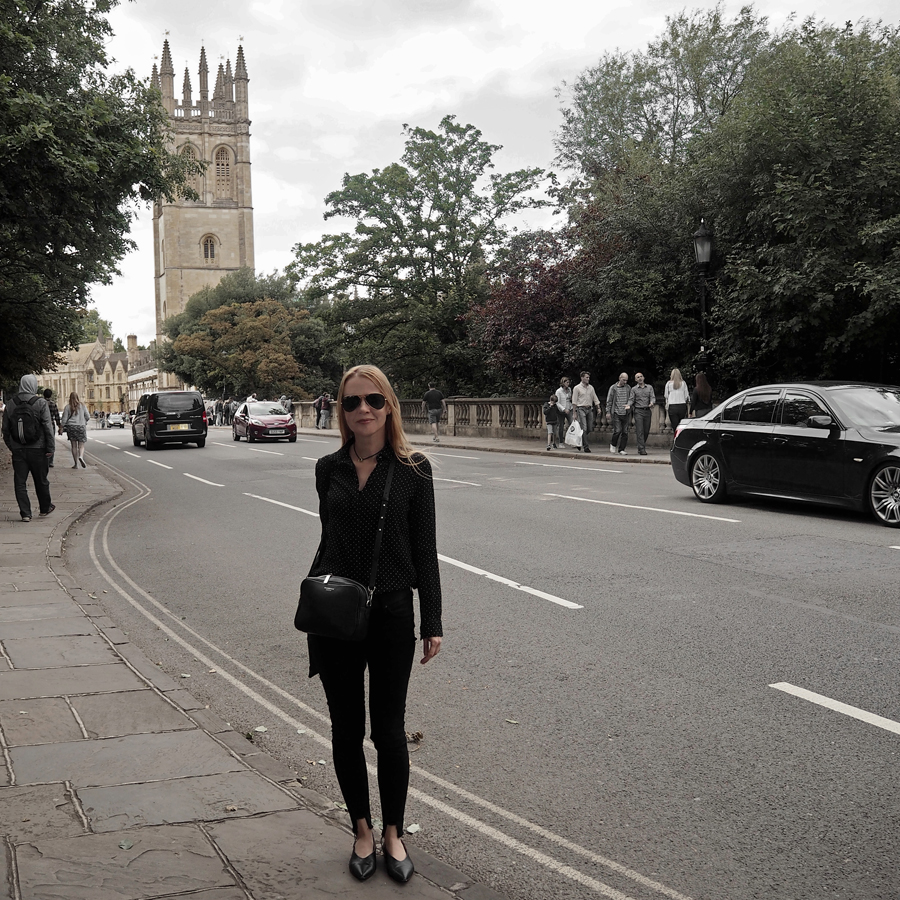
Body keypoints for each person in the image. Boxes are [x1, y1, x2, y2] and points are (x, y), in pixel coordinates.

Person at [306, 364, 442, 884]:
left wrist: (432, 619)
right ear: (340, 411)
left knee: (388, 730)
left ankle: (393, 833)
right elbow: (329, 540)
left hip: (389, 613)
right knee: (346, 729)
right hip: (337, 615)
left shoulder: (413, 469)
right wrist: (313, 594)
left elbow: (425, 551)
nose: (362, 409)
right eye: (351, 402)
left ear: (390, 405)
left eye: (373, 400)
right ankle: (361, 830)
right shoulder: (328, 468)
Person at [2, 375, 55, 522]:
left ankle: (25, 513)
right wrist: (50, 448)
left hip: (18, 450)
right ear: (33, 385)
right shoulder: (41, 403)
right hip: (38, 449)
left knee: (20, 482)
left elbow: (5, 430)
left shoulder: (11, 404)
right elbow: (47, 428)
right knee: (41, 480)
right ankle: (45, 509)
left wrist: (12, 446)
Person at [571, 371, 601, 453]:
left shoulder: (591, 388)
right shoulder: (577, 388)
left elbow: (595, 398)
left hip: (589, 408)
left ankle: (579, 440)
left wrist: (598, 407)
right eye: (586, 377)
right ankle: (586, 446)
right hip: (581, 408)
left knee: (589, 428)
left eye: (588, 377)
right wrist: (574, 413)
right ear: (582, 378)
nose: (588, 379)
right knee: (584, 427)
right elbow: (574, 401)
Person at [60, 392, 91, 469]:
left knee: (73, 446)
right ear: (78, 397)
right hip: (81, 426)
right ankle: (81, 456)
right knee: (81, 445)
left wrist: (61, 427)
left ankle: (76, 464)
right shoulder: (83, 406)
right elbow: (88, 416)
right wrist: (84, 421)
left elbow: (64, 419)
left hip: (71, 427)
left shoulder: (67, 407)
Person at [606, 372, 633, 455]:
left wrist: (629, 404)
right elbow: (609, 400)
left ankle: (621, 449)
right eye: (623, 380)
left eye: (626, 380)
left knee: (625, 432)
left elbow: (631, 398)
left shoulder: (628, 388)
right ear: (619, 378)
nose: (625, 382)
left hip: (626, 412)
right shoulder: (613, 388)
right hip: (617, 412)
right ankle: (613, 444)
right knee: (617, 430)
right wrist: (608, 412)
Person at [630, 372, 656, 456]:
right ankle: (641, 448)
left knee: (646, 430)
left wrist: (652, 403)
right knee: (640, 430)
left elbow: (652, 397)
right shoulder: (634, 389)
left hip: (647, 410)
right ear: (635, 380)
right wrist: (628, 404)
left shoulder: (649, 387)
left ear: (643, 378)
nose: (640, 378)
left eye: (641, 376)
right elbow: (631, 399)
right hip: (638, 411)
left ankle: (640, 445)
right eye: (638, 377)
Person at [664, 368, 691, 436]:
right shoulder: (683, 383)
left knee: (675, 426)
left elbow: (666, 395)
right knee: (681, 426)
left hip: (672, 406)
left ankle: (675, 440)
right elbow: (686, 396)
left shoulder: (668, 383)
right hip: (682, 405)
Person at [43, 389, 61, 468]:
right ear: (50, 395)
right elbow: (57, 417)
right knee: (51, 442)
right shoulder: (53, 404)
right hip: (51, 425)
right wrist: (59, 426)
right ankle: (50, 461)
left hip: (42, 425)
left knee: (42, 442)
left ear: (44, 395)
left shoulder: (41, 403)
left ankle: (43, 459)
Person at [554, 377, 573, 448]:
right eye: (566, 382)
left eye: (568, 382)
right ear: (563, 383)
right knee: (561, 426)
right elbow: (557, 402)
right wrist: (564, 409)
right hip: (561, 410)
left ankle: (572, 441)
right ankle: (561, 442)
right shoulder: (558, 391)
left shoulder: (569, 390)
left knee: (572, 424)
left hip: (569, 408)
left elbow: (570, 399)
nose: (568, 384)